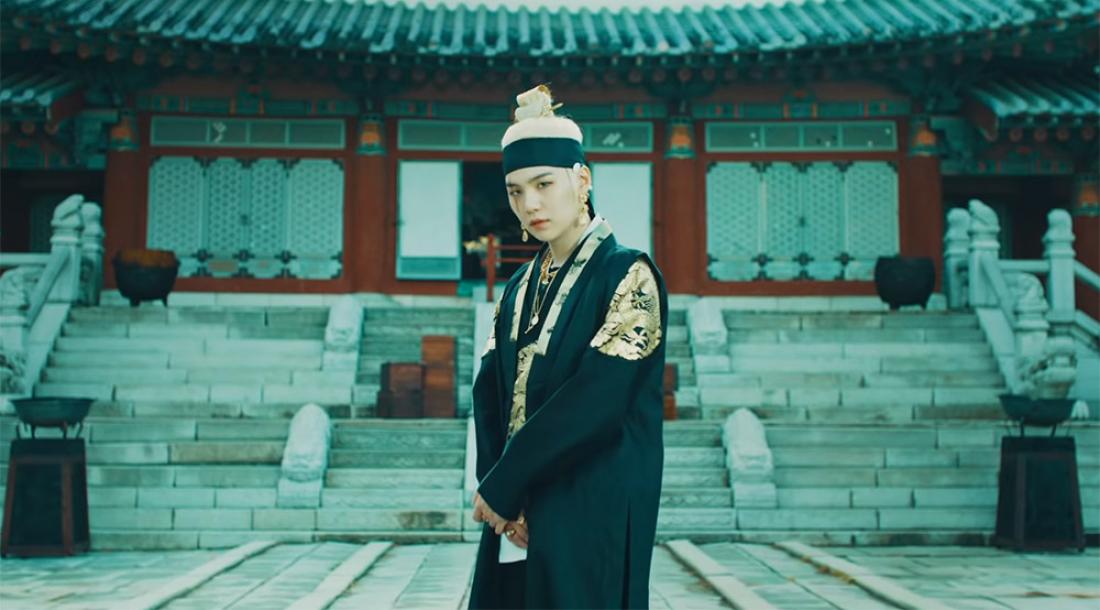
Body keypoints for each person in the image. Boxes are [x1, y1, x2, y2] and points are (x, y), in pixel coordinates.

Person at [468, 84, 669, 610]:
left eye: (544, 184)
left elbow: (597, 401)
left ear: (582, 180)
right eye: (515, 191)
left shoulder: (629, 275)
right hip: (516, 509)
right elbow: (488, 393)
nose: (530, 204)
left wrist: (508, 482)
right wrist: (499, 490)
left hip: (591, 500)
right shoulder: (517, 286)